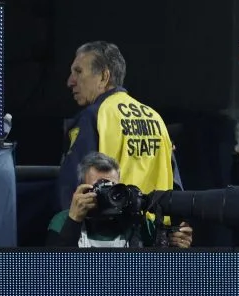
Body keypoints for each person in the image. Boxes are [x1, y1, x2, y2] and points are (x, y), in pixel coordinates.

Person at [58, 41, 180, 207]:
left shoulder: (94, 117)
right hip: (154, 230)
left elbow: (73, 187)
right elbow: (176, 186)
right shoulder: (155, 118)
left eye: (78, 72)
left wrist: (67, 227)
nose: (70, 81)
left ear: (104, 77)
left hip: (112, 229)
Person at [47, 152, 192, 249]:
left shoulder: (136, 221)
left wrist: (175, 243)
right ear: (83, 189)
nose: (107, 195)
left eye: (112, 188)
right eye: (99, 188)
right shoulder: (63, 220)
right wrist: (74, 220)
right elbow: (54, 269)